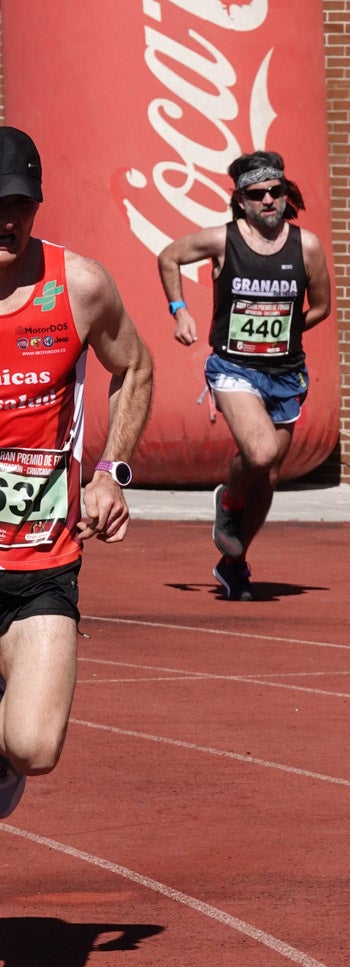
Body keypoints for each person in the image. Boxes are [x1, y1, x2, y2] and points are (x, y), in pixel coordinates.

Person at [0, 126, 154, 817]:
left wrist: (110, 474)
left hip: (40, 561)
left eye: (19, 204)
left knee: (33, 747)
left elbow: (136, 366)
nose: (7, 219)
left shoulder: (79, 285)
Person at [157, 151, 332, 601]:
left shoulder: (306, 246)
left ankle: (234, 562)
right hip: (233, 368)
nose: (269, 200)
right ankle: (229, 502)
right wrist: (180, 312)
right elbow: (169, 257)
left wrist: (289, 330)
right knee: (258, 453)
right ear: (241, 201)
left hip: (287, 373)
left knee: (270, 475)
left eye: (276, 191)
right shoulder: (223, 241)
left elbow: (323, 306)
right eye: (258, 194)